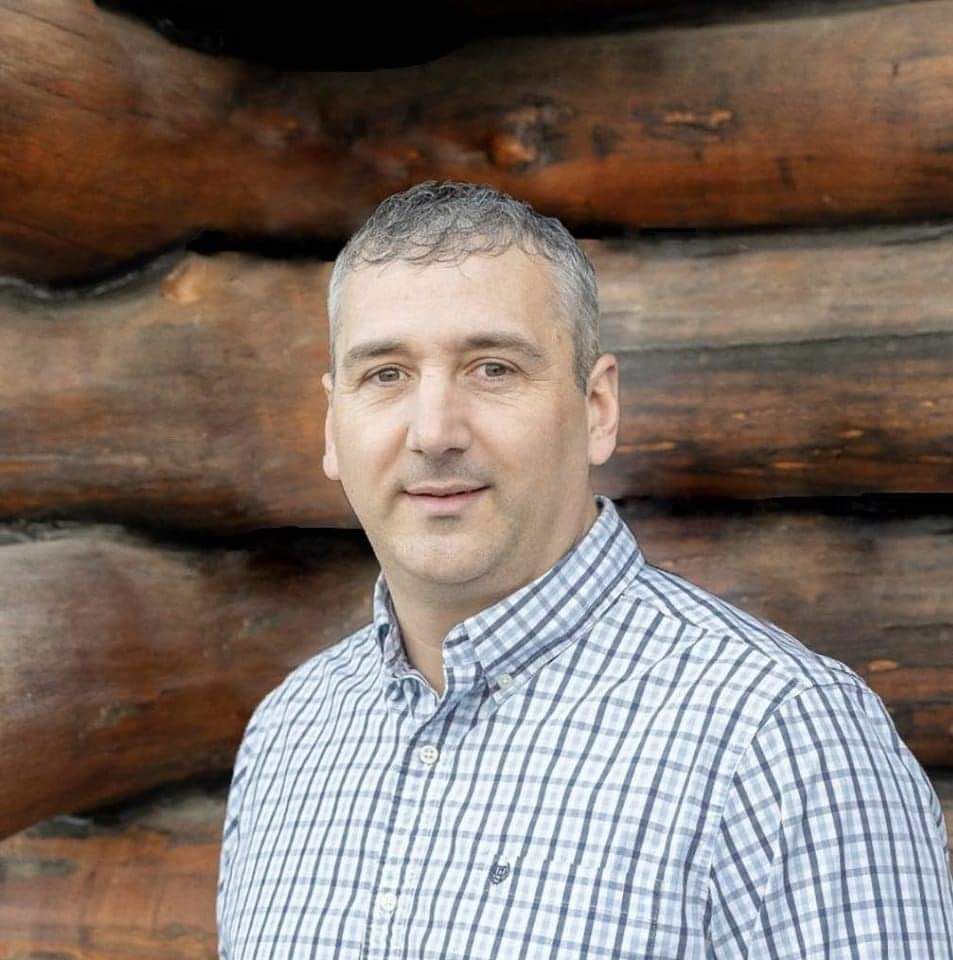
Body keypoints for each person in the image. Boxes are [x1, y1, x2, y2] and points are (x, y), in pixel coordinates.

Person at [217, 180, 953, 958]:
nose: (433, 431)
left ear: (597, 408)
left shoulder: (781, 737)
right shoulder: (290, 734)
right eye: (385, 375)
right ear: (333, 425)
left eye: (492, 368)